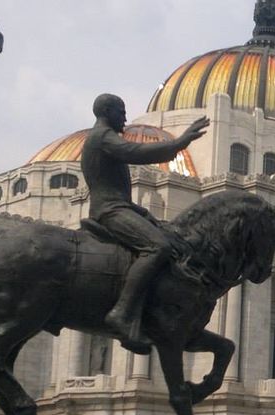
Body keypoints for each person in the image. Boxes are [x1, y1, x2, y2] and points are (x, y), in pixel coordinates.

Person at [81, 93, 209, 353]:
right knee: (157, 247)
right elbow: (136, 152)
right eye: (121, 111)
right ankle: (122, 313)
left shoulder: (103, 137)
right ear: (107, 111)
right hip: (110, 211)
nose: (126, 118)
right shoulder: (103, 137)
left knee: (169, 241)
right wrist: (181, 142)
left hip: (122, 207)